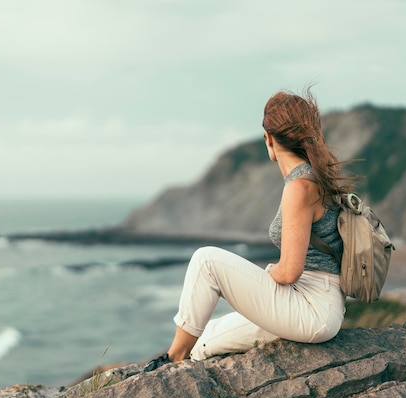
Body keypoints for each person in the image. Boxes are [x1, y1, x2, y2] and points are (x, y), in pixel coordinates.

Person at [143, 88, 354, 372]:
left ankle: (172, 361)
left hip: (312, 309)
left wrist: (261, 279)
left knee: (206, 260)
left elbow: (289, 271)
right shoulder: (315, 177)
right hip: (320, 304)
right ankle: (185, 356)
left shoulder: (300, 187)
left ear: (268, 138)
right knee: (205, 340)